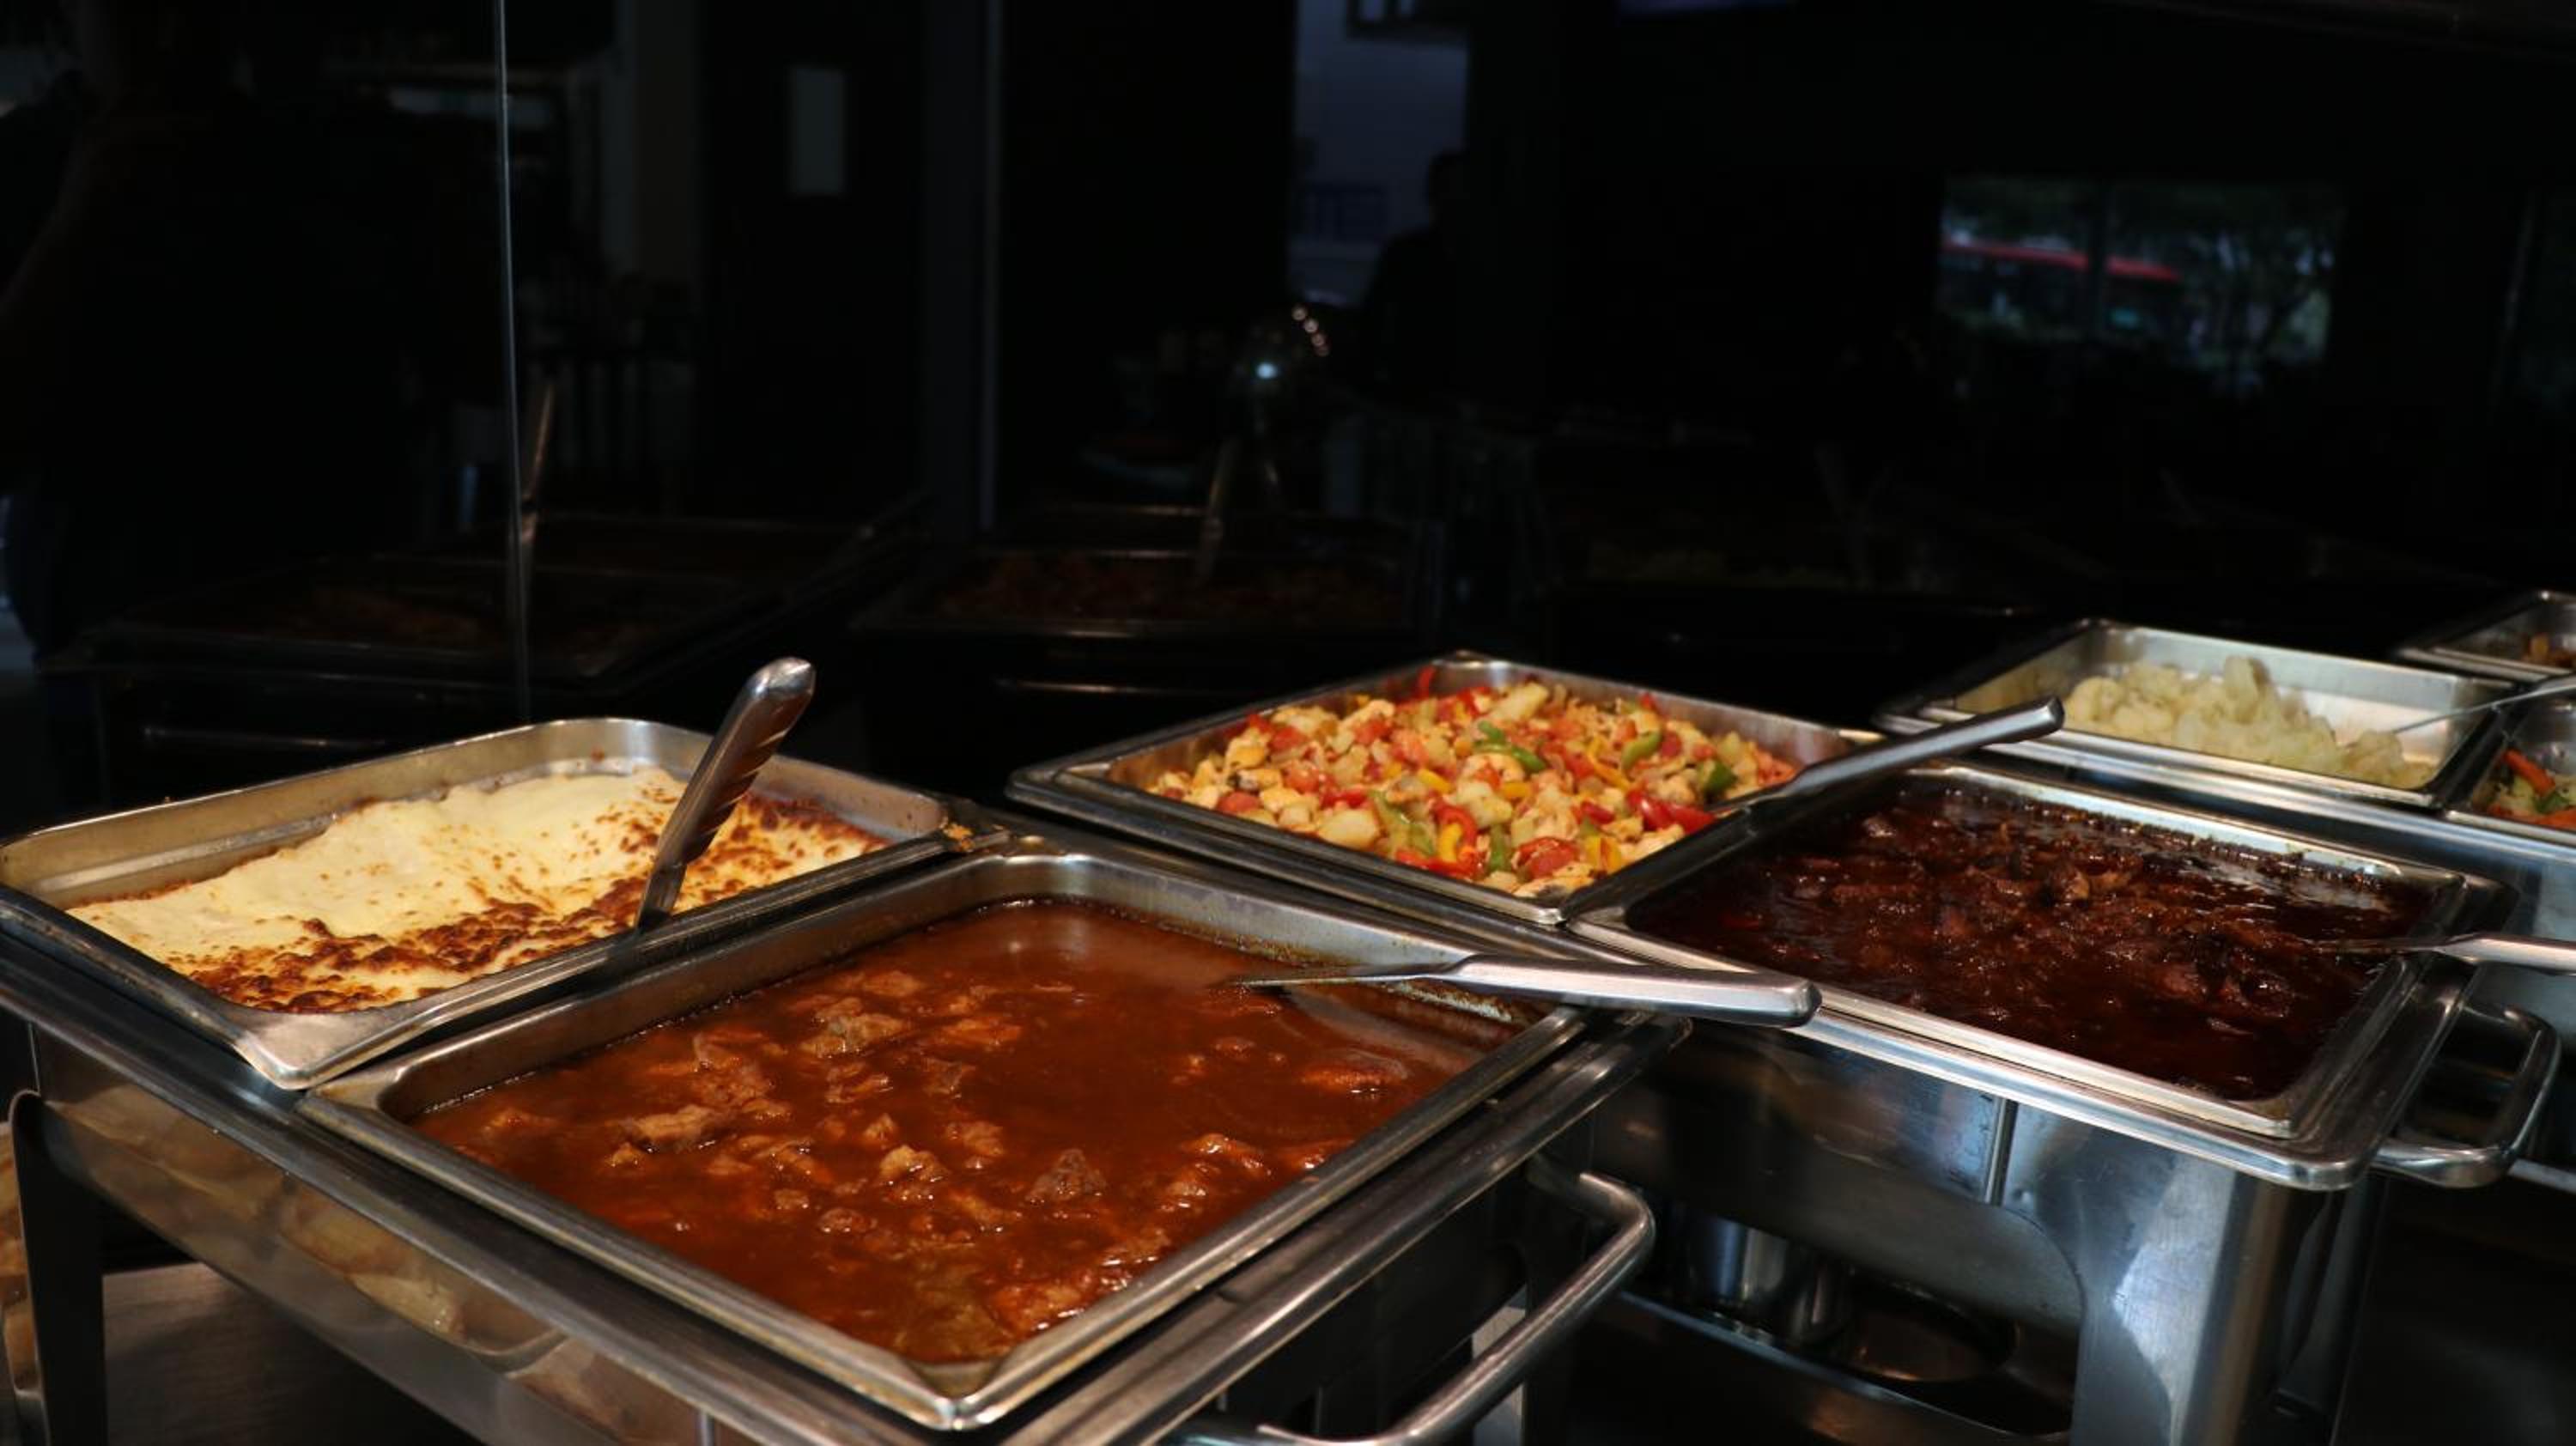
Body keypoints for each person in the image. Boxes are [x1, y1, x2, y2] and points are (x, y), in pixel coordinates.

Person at [0, 0, 424, 653]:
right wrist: (73, 228)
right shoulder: (31, 166)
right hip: (110, 642)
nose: (174, 35)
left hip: (322, 627)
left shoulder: (310, 158)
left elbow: (440, 373)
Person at [1359, 149, 1466, 401]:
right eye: (1447, 189)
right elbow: (1374, 319)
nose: (1453, 199)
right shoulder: (1405, 254)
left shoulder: (1405, 253)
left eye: (1459, 189)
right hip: (1413, 385)